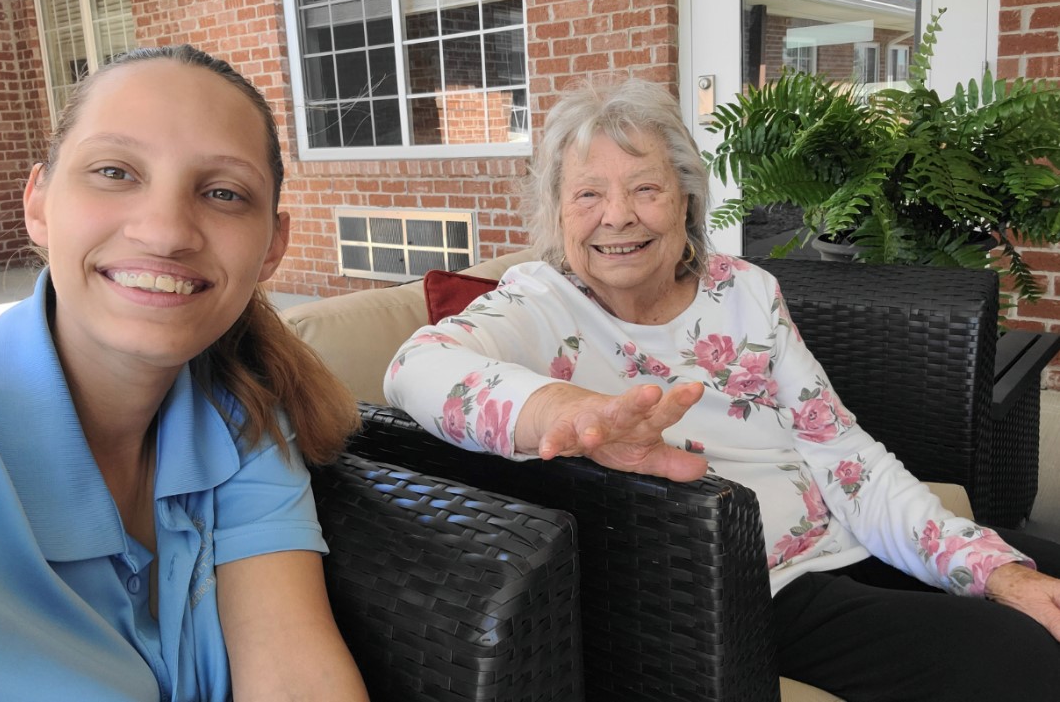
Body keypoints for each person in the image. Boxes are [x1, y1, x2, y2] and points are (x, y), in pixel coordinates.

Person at [384, 75, 1060, 700]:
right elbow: (415, 367)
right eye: (587, 193)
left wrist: (993, 568)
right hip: (747, 584)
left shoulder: (743, 289)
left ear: (685, 198)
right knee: (1021, 656)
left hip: (842, 533)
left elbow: (843, 454)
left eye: (645, 188)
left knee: (1041, 573)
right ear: (557, 214)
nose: (617, 215)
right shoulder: (539, 302)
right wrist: (567, 407)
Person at [0, 45, 369, 701]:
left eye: (223, 192)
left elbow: (295, 676)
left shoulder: (242, 421)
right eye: (115, 171)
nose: (168, 231)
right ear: (38, 203)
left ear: (273, 247)